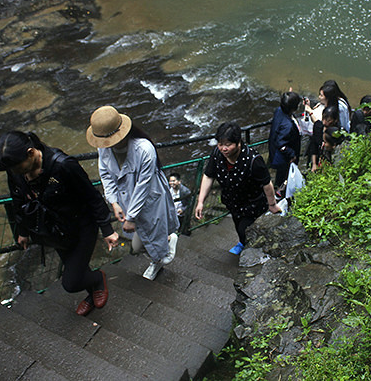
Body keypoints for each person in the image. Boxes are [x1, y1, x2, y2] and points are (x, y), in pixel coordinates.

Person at [0, 131, 119, 317]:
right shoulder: (15, 171)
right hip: (54, 229)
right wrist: (22, 231)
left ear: (30, 153)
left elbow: (91, 196)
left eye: (18, 168)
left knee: (71, 282)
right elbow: (18, 200)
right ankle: (92, 294)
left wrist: (107, 229)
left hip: (81, 226)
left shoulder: (63, 166)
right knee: (76, 268)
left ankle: (98, 279)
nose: (16, 173)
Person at [86, 105, 179, 281]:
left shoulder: (144, 149)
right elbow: (105, 174)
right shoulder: (104, 148)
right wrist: (113, 202)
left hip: (150, 199)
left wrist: (131, 217)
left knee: (140, 244)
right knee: (142, 242)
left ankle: (158, 260)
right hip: (127, 200)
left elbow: (143, 185)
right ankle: (164, 247)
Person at [195, 122, 281, 255]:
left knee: (245, 229)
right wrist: (200, 201)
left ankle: (252, 250)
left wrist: (272, 205)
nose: (223, 148)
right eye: (220, 144)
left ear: (238, 142)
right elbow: (208, 176)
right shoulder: (217, 154)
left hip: (252, 204)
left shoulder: (253, 160)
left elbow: (267, 183)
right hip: (232, 202)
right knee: (237, 225)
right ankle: (242, 243)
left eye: (228, 145)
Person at [267, 91, 302, 190]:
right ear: (293, 108)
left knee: (281, 174)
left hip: (273, 150)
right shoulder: (288, 126)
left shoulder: (279, 111)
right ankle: (281, 193)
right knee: (284, 176)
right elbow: (281, 144)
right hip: (283, 158)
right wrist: (292, 154)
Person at [308, 105, 340, 172]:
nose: (324, 122)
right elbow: (313, 145)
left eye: (328, 120)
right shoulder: (318, 127)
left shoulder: (337, 133)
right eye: (323, 119)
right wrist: (314, 164)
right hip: (318, 158)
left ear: (335, 120)